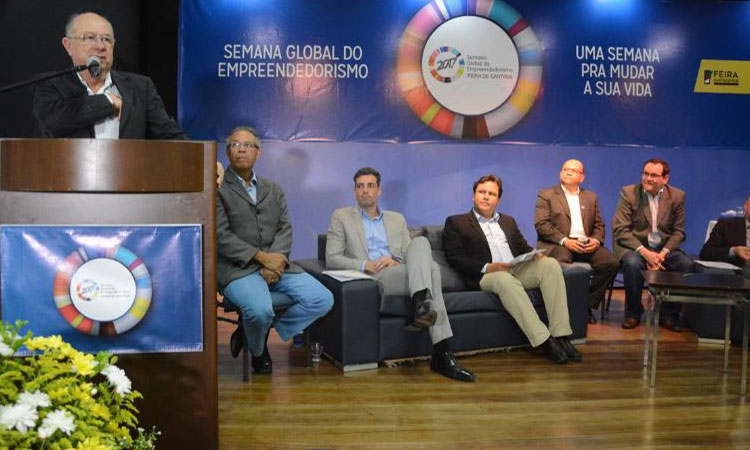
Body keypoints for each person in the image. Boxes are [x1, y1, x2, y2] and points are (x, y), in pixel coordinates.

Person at [325, 168, 476, 381]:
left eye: (370, 186)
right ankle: (441, 351)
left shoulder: (397, 219)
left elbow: (411, 252)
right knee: (431, 271)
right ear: (355, 191)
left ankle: (423, 310)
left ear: (379, 190)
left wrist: (395, 259)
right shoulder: (341, 217)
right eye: (360, 186)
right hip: (374, 277)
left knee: (421, 243)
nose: (364, 191)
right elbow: (332, 257)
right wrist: (365, 264)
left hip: (398, 271)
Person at [217, 126, 333, 374]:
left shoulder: (274, 188)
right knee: (259, 310)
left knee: (323, 299)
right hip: (238, 269)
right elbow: (221, 236)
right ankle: (258, 351)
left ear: (257, 153)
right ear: (227, 152)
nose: (241, 149)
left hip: (278, 266)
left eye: (248, 145)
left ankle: (252, 330)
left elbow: (284, 228)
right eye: (235, 144)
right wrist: (262, 258)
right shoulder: (218, 190)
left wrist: (277, 259)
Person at [443, 174, 581, 364]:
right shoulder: (456, 222)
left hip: (515, 269)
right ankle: (544, 340)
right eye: (481, 192)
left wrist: (533, 254)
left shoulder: (508, 221)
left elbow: (522, 247)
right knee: (504, 279)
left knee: (550, 264)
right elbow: (455, 257)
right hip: (487, 275)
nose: (485, 197)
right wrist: (488, 267)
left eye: (491, 194)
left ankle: (561, 335)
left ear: (498, 199)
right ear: (473, 196)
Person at [32, 12, 187, 140]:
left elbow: (169, 136)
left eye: (106, 40)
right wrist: (108, 102)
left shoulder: (140, 87)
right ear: (68, 45)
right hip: (70, 175)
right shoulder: (50, 84)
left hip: (129, 176)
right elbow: (55, 122)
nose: (100, 46)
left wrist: (204, 161)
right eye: (90, 38)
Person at [612, 158, 694, 331]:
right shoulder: (629, 193)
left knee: (685, 264)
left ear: (665, 179)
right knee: (633, 263)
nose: (648, 178)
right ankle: (633, 312)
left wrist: (663, 253)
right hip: (634, 245)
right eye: (646, 174)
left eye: (654, 175)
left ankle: (668, 314)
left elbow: (679, 231)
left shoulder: (678, 196)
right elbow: (621, 230)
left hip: (663, 248)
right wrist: (645, 253)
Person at [534, 159, 618, 324]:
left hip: (586, 242)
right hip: (559, 243)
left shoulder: (590, 197)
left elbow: (599, 225)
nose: (568, 172)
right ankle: (562, 308)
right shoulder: (547, 194)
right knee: (560, 266)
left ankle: (584, 305)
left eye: (573, 170)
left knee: (611, 263)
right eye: (565, 169)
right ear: (560, 173)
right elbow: (541, 225)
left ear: (582, 177)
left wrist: (596, 240)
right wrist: (565, 241)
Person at [700, 193, 750, 279]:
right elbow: (706, 253)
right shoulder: (726, 225)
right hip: (742, 271)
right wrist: (734, 251)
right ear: (745, 206)